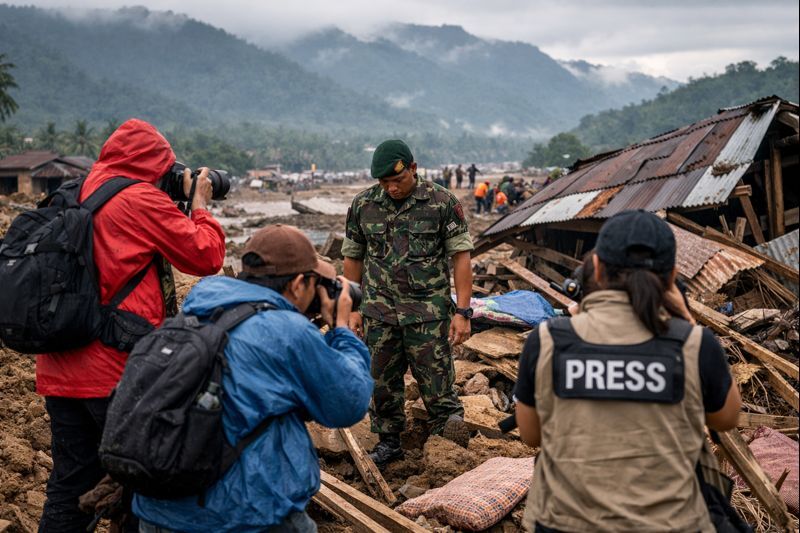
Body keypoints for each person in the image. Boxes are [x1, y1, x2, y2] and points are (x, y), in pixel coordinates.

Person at [36, 119, 227, 532]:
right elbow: (206, 256)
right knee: (139, 484)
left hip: (58, 368)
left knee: (69, 485)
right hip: (116, 372)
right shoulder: (141, 199)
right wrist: (199, 205)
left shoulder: (72, 192)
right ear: (157, 165)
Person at [513, 210, 742, 533]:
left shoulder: (547, 340)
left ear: (595, 269)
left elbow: (531, 435)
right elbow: (726, 419)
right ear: (672, 277)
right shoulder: (694, 345)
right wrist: (687, 322)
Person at [134, 224, 373, 532]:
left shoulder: (199, 311)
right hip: (242, 515)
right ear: (298, 284)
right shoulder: (287, 332)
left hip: (158, 509)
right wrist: (340, 330)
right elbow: (348, 404)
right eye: (317, 286)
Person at [342, 139, 474, 467]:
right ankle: (389, 443)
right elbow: (352, 258)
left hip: (427, 314)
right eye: (384, 182)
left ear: (413, 168)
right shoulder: (363, 205)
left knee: (438, 382)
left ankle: (449, 444)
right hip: (379, 313)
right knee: (381, 383)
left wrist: (463, 311)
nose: (391, 188)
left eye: (398, 180)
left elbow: (461, 257)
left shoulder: (442, 202)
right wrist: (353, 308)